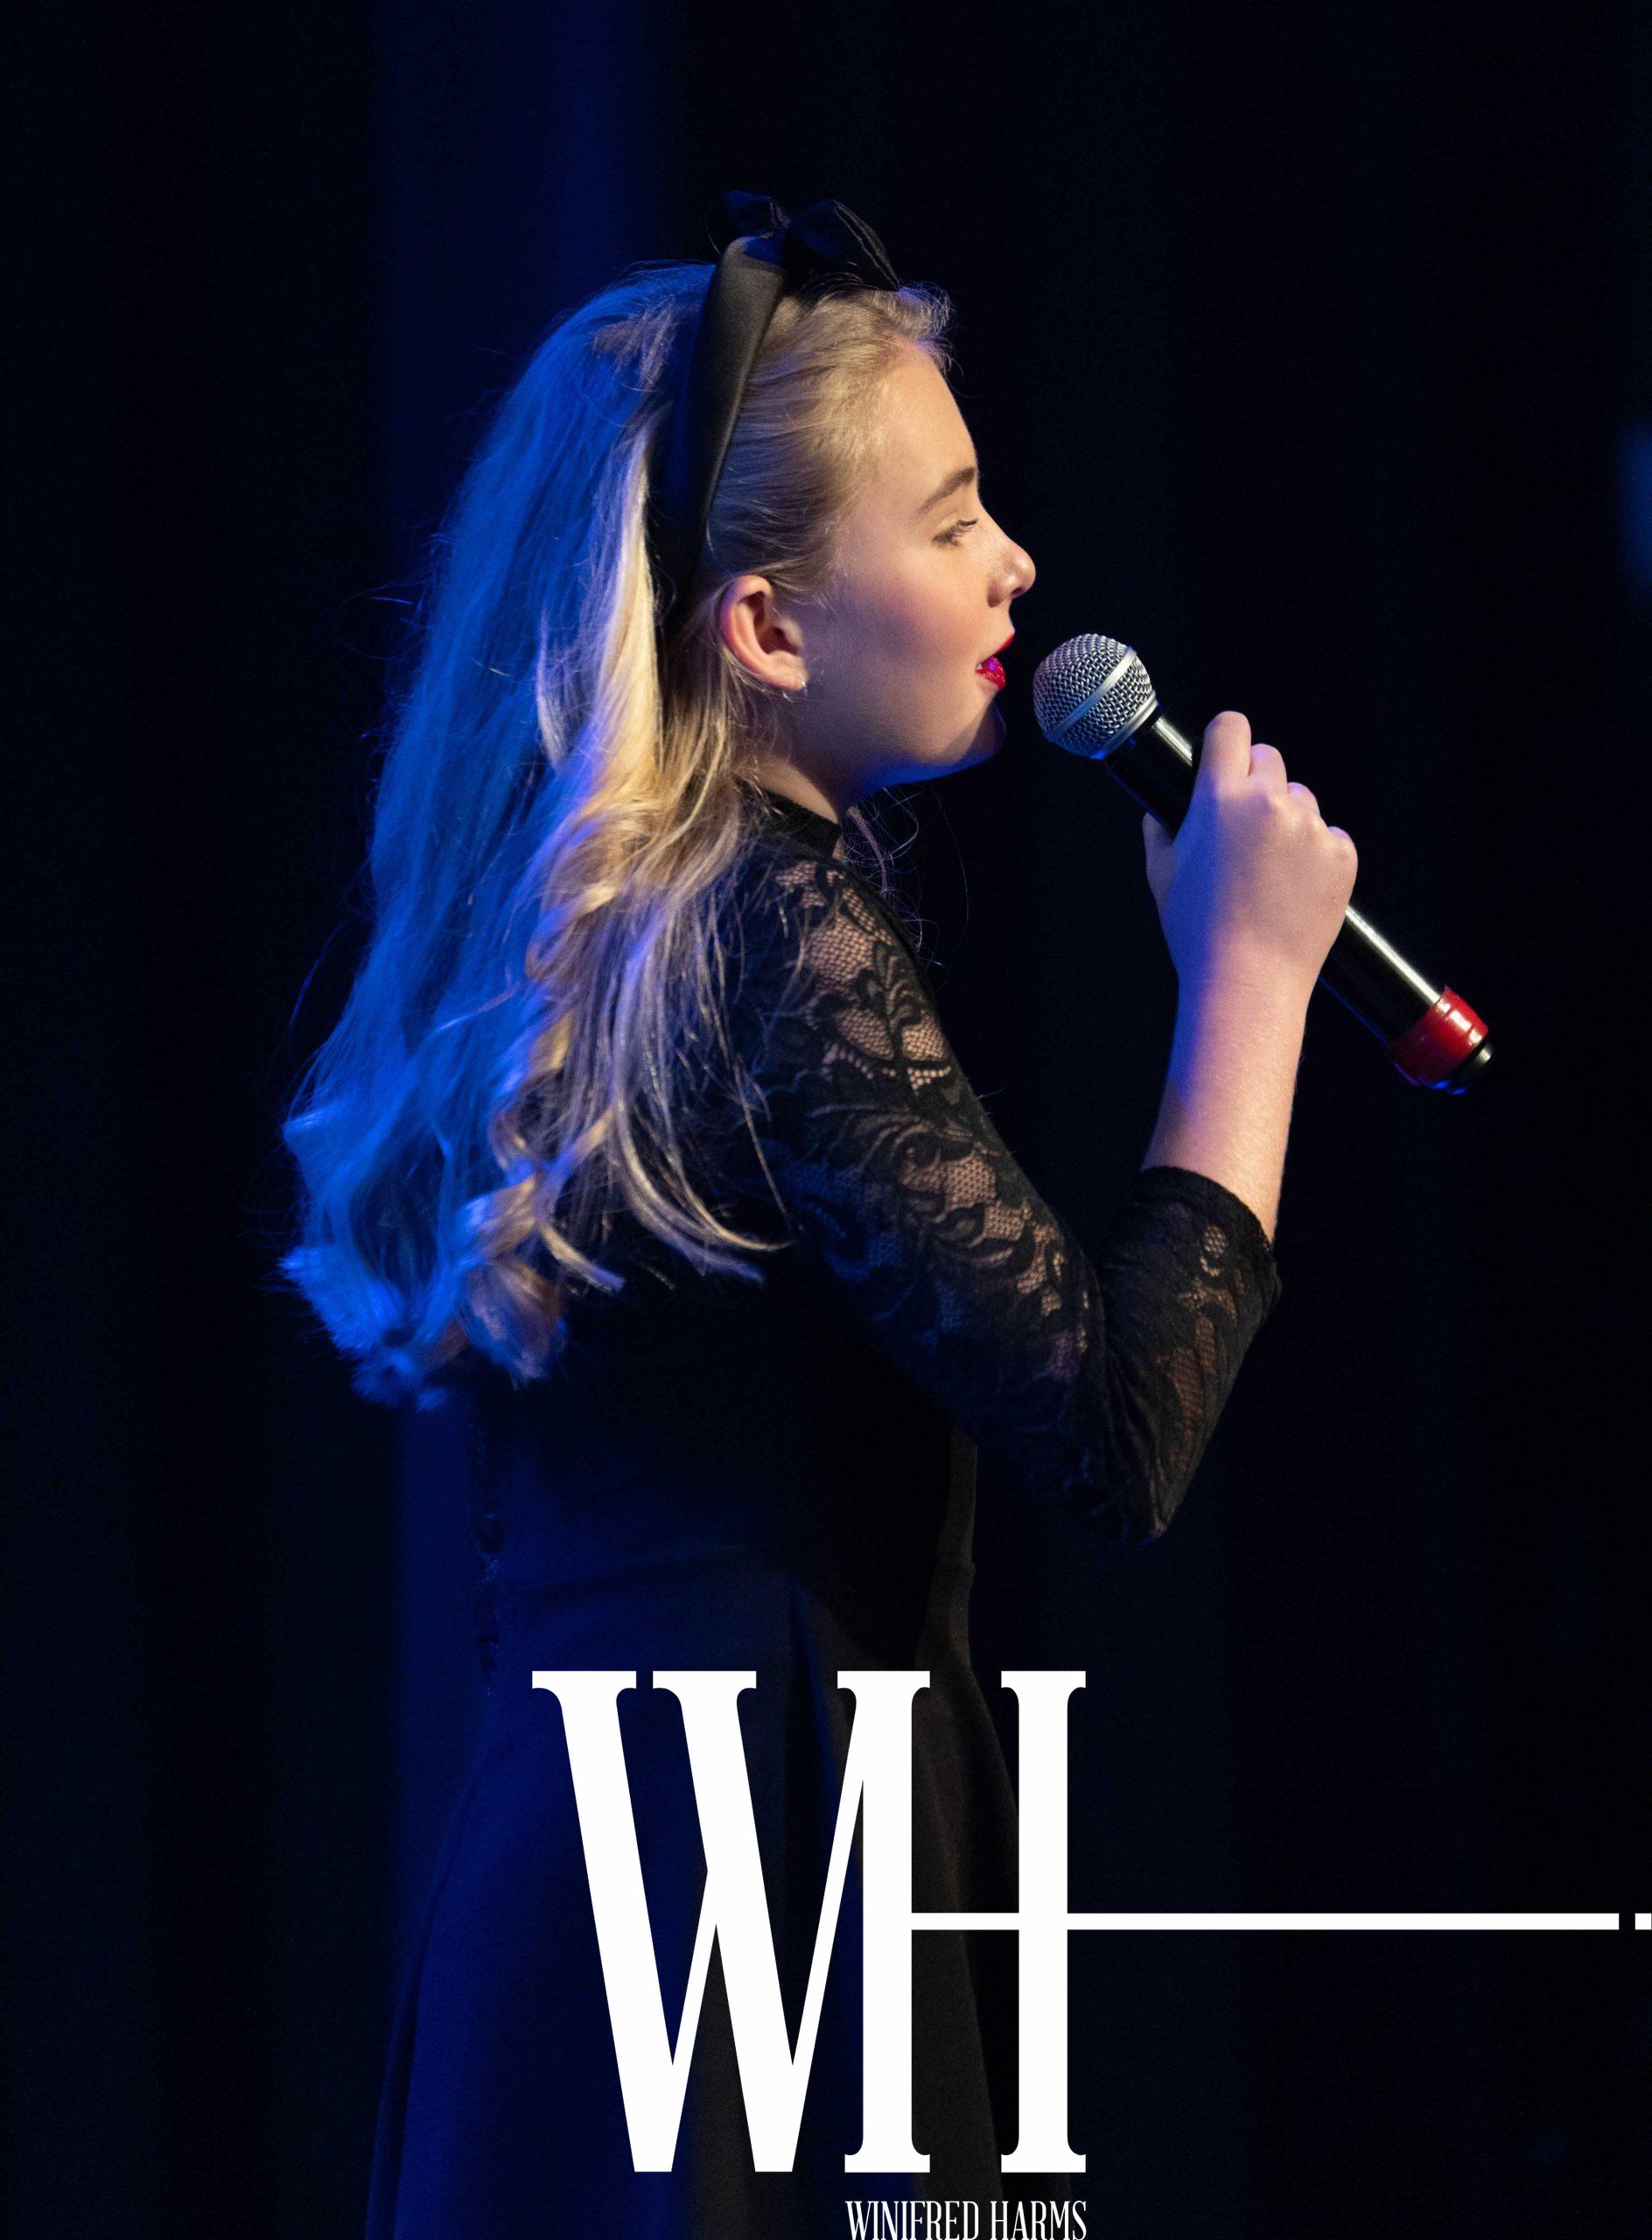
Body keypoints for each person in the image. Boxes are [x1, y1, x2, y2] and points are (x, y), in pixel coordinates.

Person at [279, 198, 1357, 2238]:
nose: (1012, 562)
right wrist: (1251, 982)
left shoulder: (645, 922)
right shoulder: (773, 918)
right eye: (948, 521)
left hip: (591, 1841)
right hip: (753, 1845)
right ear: (767, 626)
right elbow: (1113, 1422)